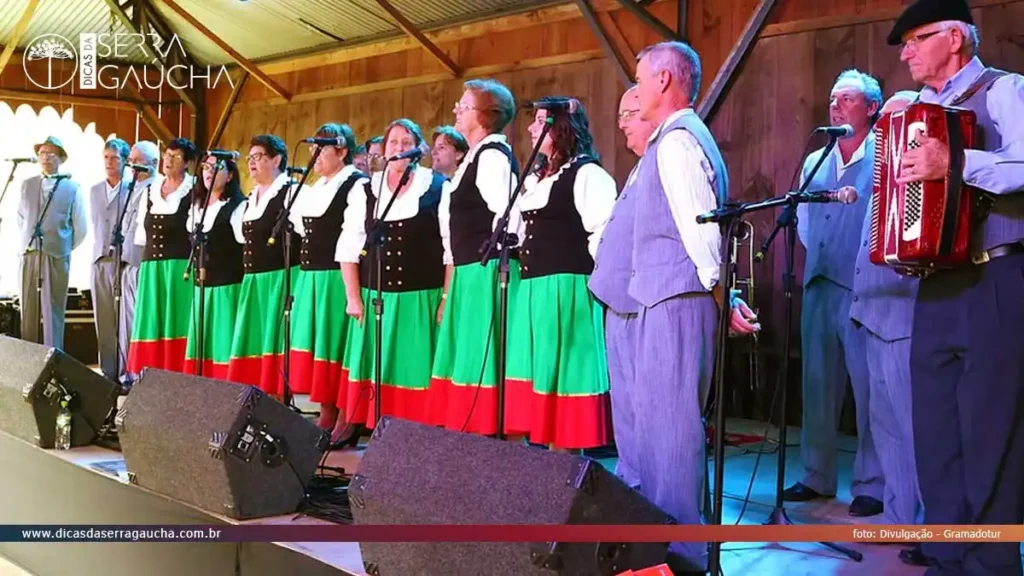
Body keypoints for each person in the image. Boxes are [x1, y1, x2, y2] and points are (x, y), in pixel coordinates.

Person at [588, 43, 755, 574]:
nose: (635, 89)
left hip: (673, 301)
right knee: (643, 434)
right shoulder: (664, 144)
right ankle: (645, 545)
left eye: (640, 78)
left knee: (672, 433)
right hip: (649, 300)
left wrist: (720, 292)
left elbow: (700, 230)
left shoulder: (680, 142)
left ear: (663, 81)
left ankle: (681, 554)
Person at [888, 1, 1024, 573]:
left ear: (955, 38)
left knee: (992, 428)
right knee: (935, 427)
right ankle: (947, 554)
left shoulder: (1004, 89)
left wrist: (957, 162)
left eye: (916, 39)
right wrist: (898, 232)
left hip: (996, 271)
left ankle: (991, 564)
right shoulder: (918, 113)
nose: (905, 52)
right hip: (937, 281)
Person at [783, 70, 884, 518]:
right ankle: (816, 476)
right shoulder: (815, 161)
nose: (836, 106)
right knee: (818, 385)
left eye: (846, 99)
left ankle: (872, 484)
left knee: (868, 390)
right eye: (832, 99)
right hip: (820, 283)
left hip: (865, 287)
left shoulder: (883, 155)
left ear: (871, 108)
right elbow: (804, 221)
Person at [505, 97, 616, 450]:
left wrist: (596, 292)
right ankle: (536, 466)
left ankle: (563, 461)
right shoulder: (538, 179)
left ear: (561, 128)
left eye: (540, 122)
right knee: (536, 372)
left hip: (568, 289)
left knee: (566, 372)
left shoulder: (587, 175)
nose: (531, 128)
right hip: (534, 289)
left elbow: (604, 235)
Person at [850, 89, 930, 567]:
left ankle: (927, 525)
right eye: (881, 124)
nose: (883, 130)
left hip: (903, 315)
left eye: (892, 122)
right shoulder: (880, 176)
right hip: (871, 313)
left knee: (913, 426)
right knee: (887, 429)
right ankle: (900, 517)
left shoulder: (913, 181)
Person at [338, 118, 446, 434]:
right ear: (384, 150)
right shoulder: (366, 189)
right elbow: (349, 244)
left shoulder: (438, 187)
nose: (398, 148)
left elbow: (450, 251)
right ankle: (380, 437)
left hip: (420, 299)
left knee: (415, 371)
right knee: (378, 372)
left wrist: (445, 298)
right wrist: (353, 297)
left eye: (405, 143)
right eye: (392, 143)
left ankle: (416, 439)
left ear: (418, 150)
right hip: (376, 299)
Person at [429, 78, 523, 437]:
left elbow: (510, 216)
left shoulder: (492, 157)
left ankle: (489, 436)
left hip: (487, 275)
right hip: (470, 275)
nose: (456, 110)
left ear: (484, 115)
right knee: (468, 356)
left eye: (463, 106)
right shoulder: (476, 157)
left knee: (483, 356)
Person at [288, 122, 367, 442]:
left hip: (337, 277)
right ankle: (327, 412)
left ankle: (348, 417)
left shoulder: (355, 185)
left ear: (343, 151)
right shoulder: (316, 187)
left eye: (322, 148)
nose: (315, 155)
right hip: (312, 277)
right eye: (312, 148)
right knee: (321, 346)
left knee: (337, 348)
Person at [226, 135, 300, 397]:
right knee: (254, 340)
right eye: (250, 158)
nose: (252, 163)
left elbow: (306, 235)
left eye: (258, 157)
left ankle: (278, 397)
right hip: (254, 280)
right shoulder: (251, 198)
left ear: (277, 159)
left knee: (275, 339)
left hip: (279, 279)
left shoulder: (291, 192)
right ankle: (256, 396)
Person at [127, 138, 197, 375]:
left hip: (180, 269)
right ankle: (153, 374)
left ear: (187, 163)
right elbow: (141, 235)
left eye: (176, 157)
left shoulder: (195, 190)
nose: (169, 160)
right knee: (153, 321)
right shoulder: (150, 191)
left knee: (177, 321)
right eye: (167, 155)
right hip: (152, 269)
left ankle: (179, 374)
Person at [15, 136, 86, 349]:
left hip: (57, 254)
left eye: (51, 154)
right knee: (27, 307)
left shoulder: (72, 187)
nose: (45, 158)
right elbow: (21, 219)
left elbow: (80, 227)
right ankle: (28, 358)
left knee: (54, 308)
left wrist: (62, 245)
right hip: (29, 252)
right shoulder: (27, 185)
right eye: (42, 153)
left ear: (61, 159)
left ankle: (53, 357)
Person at [182, 153, 245, 379]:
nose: (209, 172)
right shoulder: (196, 206)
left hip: (227, 287)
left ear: (229, 176)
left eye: (216, 168)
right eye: (206, 167)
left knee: (223, 343)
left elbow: (244, 248)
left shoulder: (237, 206)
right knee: (203, 345)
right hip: (202, 289)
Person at [87, 138, 133, 380]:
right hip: (99, 259)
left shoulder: (132, 188)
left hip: (122, 260)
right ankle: (108, 371)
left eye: (114, 158)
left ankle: (127, 370)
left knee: (123, 320)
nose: (109, 162)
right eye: (106, 157)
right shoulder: (95, 190)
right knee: (103, 318)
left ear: (125, 161)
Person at [120, 141, 158, 382]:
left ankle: (141, 373)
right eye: (131, 161)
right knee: (126, 320)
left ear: (154, 164)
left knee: (141, 319)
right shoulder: (131, 187)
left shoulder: (156, 188)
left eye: (138, 162)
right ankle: (128, 371)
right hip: (128, 261)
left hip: (145, 262)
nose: (133, 167)